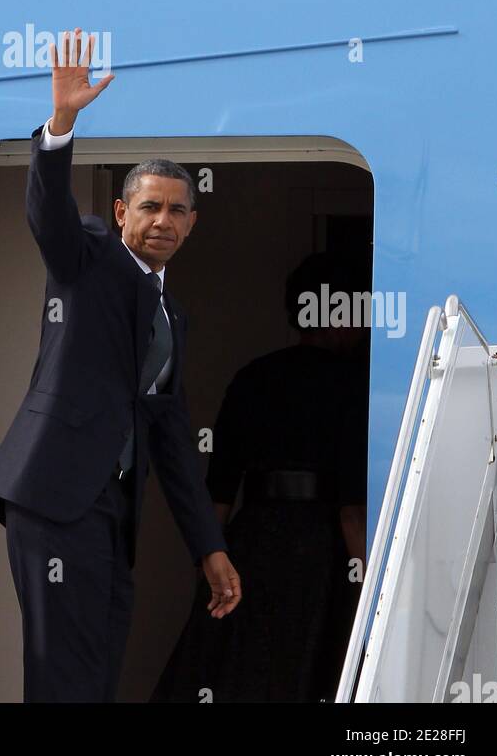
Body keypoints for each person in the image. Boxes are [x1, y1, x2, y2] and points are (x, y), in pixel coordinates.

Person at [0, 27, 241, 702]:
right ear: (121, 212)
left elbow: (174, 441)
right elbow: (50, 218)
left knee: (96, 675)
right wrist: (60, 126)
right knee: (64, 675)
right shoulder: (88, 259)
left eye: (178, 211)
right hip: (57, 497)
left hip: (111, 512)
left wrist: (208, 548)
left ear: (193, 225)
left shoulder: (170, 315)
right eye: (150, 206)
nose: (163, 221)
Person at [150, 250, 370, 704]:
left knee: (236, 675)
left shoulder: (254, 377)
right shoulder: (354, 384)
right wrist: (368, 589)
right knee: (312, 676)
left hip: (250, 543)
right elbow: (352, 510)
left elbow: (220, 493)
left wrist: (211, 564)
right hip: (321, 551)